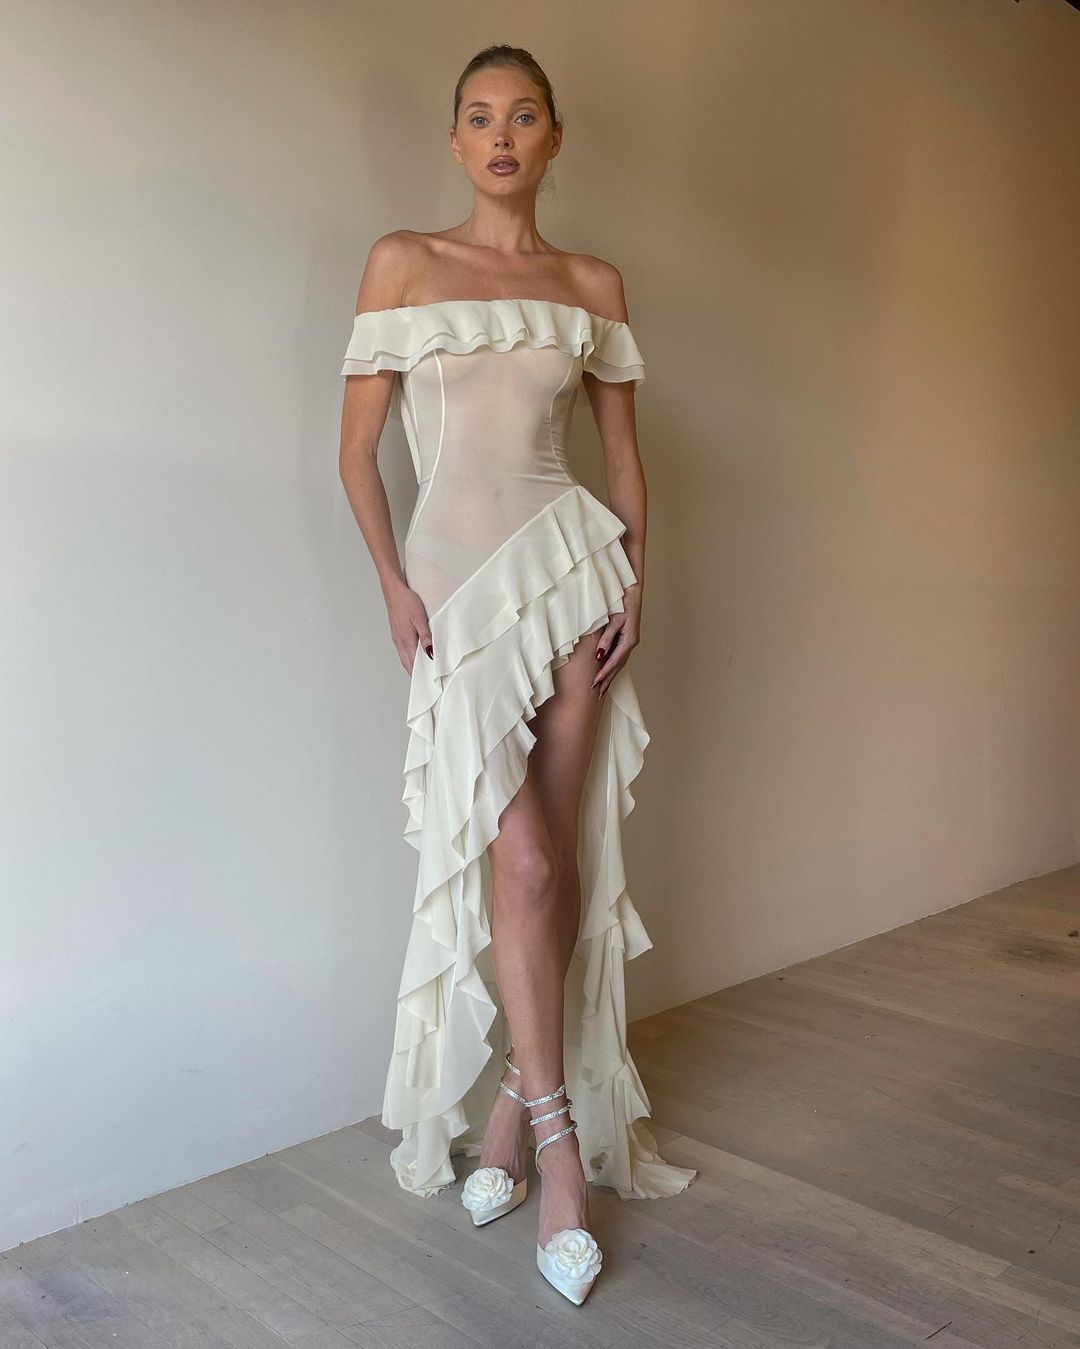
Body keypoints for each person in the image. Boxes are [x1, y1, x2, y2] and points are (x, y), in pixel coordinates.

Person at [338, 43, 695, 1305]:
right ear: (456, 141)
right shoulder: (402, 261)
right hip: (456, 589)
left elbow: (624, 458)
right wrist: (394, 584)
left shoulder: (591, 284)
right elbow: (359, 451)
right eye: (480, 117)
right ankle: (555, 1150)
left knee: (560, 850)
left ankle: (511, 1106)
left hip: (570, 573)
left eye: (523, 115)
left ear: (553, 138)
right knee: (524, 859)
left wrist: (637, 580)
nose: (501, 135)